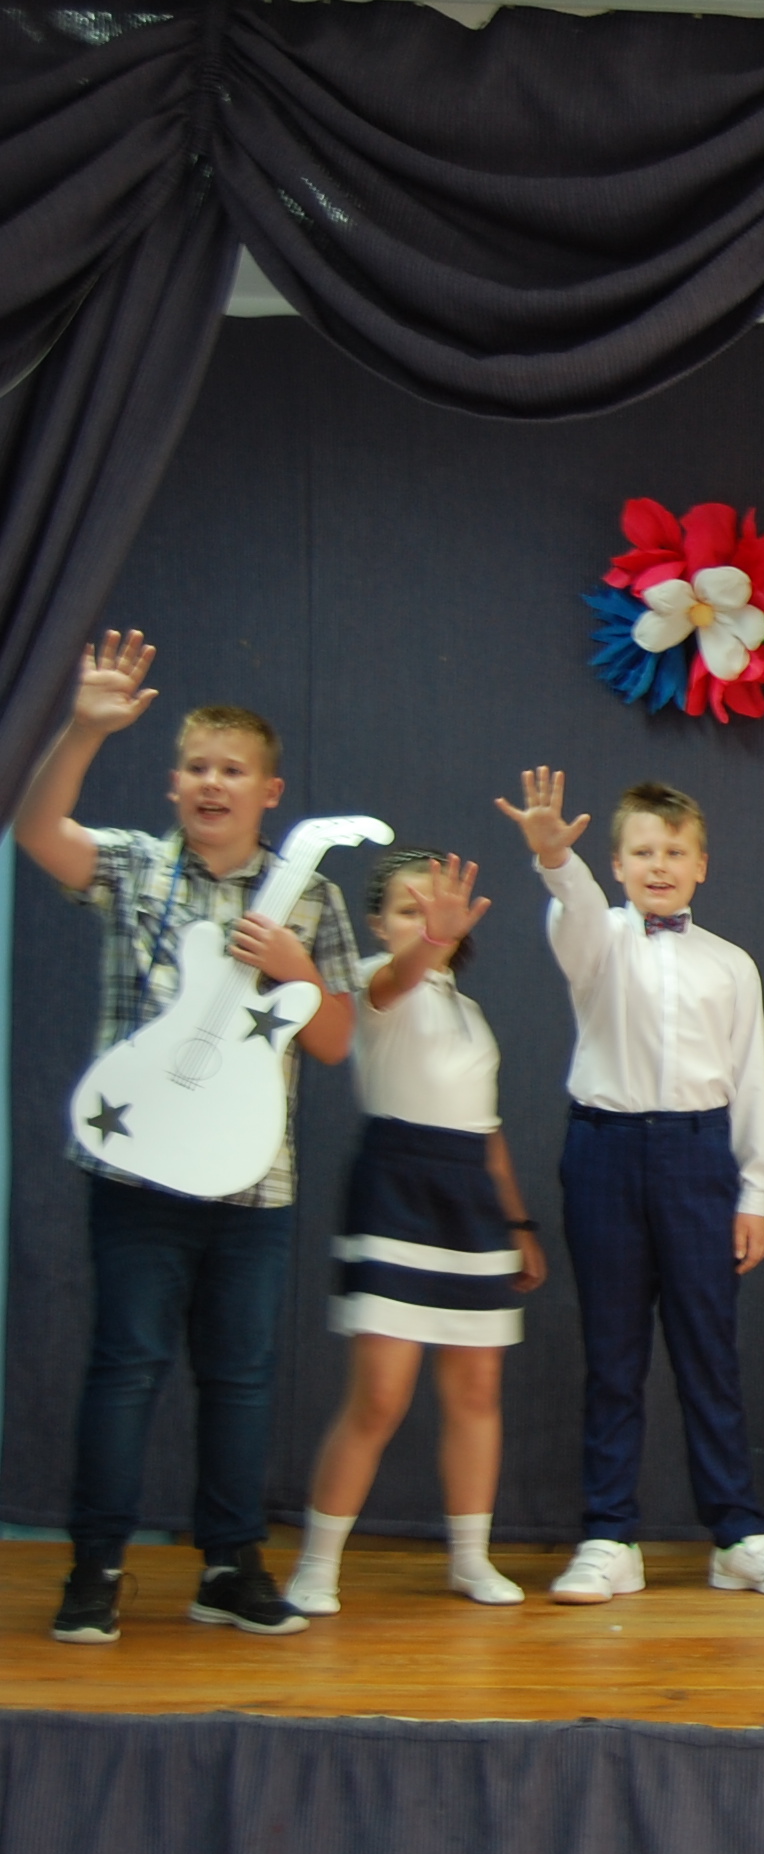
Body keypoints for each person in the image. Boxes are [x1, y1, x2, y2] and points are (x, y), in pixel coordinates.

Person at [24, 634, 363, 1644]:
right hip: (135, 1172)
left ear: (270, 791)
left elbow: (337, 1042)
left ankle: (229, 1565)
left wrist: (299, 967)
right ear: (174, 783)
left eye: (234, 770)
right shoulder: (135, 866)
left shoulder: (312, 895)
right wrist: (84, 729)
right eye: (198, 767)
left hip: (253, 1186)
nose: (214, 783)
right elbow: (34, 827)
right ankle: (96, 1566)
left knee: (241, 1378)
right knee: (125, 1366)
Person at [496, 769, 764, 1602]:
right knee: (613, 1354)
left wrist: (756, 1191)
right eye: (642, 852)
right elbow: (573, 911)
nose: (659, 866)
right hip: (604, 1151)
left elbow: (749, 1079)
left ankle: (737, 1533)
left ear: (701, 865)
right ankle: (609, 1536)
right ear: (616, 864)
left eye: (675, 852)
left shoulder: (731, 965)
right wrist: (553, 859)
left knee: (709, 1351)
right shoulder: (596, 938)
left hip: (698, 1156)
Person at [287, 852, 548, 1616]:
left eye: (436, 911)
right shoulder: (374, 982)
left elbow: (487, 1131)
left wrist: (518, 1222)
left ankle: (470, 1559)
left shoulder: (471, 1013)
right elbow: (399, 978)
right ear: (377, 924)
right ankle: (316, 1566)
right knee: (379, 1396)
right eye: (408, 910)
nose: (426, 922)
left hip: (472, 1201)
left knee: (476, 1391)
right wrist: (429, 941)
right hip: (396, 1190)